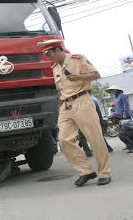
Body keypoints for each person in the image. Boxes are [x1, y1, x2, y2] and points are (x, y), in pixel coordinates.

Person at [39, 39, 111, 187]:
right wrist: (59, 109)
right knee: (64, 139)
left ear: (58, 50)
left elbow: (96, 74)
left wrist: (80, 77)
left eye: (49, 53)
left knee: (95, 138)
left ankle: (105, 173)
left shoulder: (78, 59)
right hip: (66, 105)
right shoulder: (55, 68)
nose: (48, 57)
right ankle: (86, 171)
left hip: (82, 100)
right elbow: (60, 92)